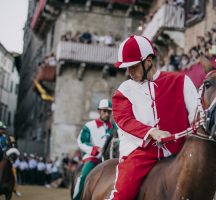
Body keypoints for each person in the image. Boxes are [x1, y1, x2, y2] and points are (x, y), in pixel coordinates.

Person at [109, 35, 198, 199]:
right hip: (141, 153)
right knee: (122, 195)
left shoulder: (181, 81)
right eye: (127, 68)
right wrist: (151, 132)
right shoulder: (124, 90)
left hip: (181, 149)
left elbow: (196, 115)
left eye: (133, 66)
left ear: (148, 61)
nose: (129, 72)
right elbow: (125, 121)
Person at [73, 99, 115, 200]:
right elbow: (81, 141)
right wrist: (95, 150)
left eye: (109, 112)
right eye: (104, 111)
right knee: (84, 176)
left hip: (110, 159)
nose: (107, 114)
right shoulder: (89, 125)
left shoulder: (114, 127)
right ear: (99, 111)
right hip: (93, 158)